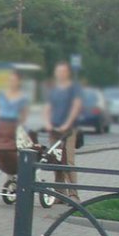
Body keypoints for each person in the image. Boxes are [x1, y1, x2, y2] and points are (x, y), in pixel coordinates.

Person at [44, 62, 83, 199]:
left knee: (68, 160)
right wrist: (47, 123)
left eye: (63, 71)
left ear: (67, 73)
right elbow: (48, 107)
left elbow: (76, 106)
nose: (60, 74)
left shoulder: (74, 88)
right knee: (56, 159)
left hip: (69, 129)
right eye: (58, 71)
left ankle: (73, 194)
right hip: (54, 128)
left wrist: (67, 124)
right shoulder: (54, 89)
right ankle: (60, 193)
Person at [0, 70, 29, 186]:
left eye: (14, 80)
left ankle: (11, 181)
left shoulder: (22, 98)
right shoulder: (2, 94)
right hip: (1, 125)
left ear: (19, 81)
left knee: (12, 152)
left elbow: (24, 115)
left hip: (14, 126)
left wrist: (20, 128)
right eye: (10, 80)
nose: (11, 82)